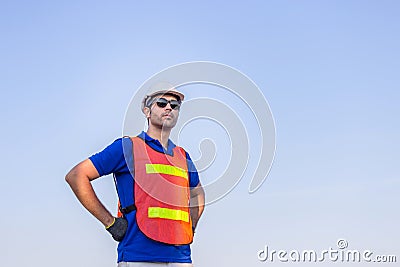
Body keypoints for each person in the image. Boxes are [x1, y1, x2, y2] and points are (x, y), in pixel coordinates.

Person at [65, 84, 205, 267]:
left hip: (181, 257)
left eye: (175, 105)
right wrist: (110, 223)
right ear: (147, 111)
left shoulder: (182, 156)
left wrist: (189, 228)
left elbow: (198, 195)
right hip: (138, 256)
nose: (169, 107)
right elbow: (76, 175)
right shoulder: (128, 147)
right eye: (162, 103)